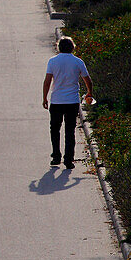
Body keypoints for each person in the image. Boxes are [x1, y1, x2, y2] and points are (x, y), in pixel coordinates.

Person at [42, 36, 94, 169]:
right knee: (70, 131)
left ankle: (56, 157)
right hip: (72, 101)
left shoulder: (53, 61)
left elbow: (47, 81)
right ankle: (68, 160)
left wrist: (45, 98)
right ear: (72, 47)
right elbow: (87, 80)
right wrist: (89, 93)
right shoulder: (78, 62)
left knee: (55, 129)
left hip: (57, 100)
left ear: (59, 47)